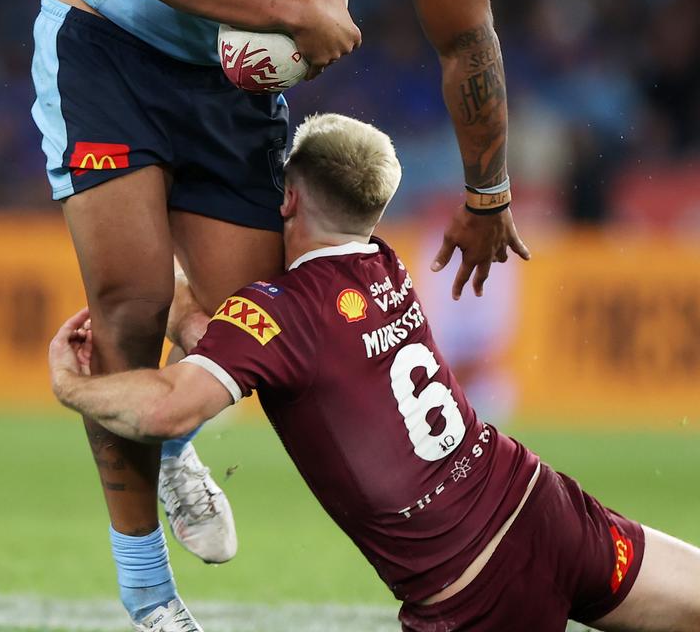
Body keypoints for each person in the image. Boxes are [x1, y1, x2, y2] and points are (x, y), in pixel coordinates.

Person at [31, 0, 530, 629]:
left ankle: (171, 442)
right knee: (129, 309)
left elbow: (468, 38)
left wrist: (488, 191)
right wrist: (296, 12)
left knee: (255, 327)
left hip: (230, 88)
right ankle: (150, 601)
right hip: (110, 44)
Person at [49, 113, 700, 632]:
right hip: (547, 510)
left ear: (289, 199)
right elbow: (231, 322)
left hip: (472, 590)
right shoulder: (384, 266)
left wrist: (70, 386)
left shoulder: (281, 315)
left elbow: (168, 408)